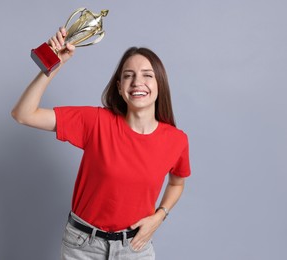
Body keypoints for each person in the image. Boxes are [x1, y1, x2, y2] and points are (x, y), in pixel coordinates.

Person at [11, 27, 191, 260]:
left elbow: (177, 184)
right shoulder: (96, 122)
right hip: (83, 247)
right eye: (128, 75)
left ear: (159, 84)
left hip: (135, 248)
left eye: (147, 75)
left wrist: (160, 216)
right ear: (119, 86)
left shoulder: (176, 140)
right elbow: (23, 114)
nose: (138, 82)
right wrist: (53, 65)